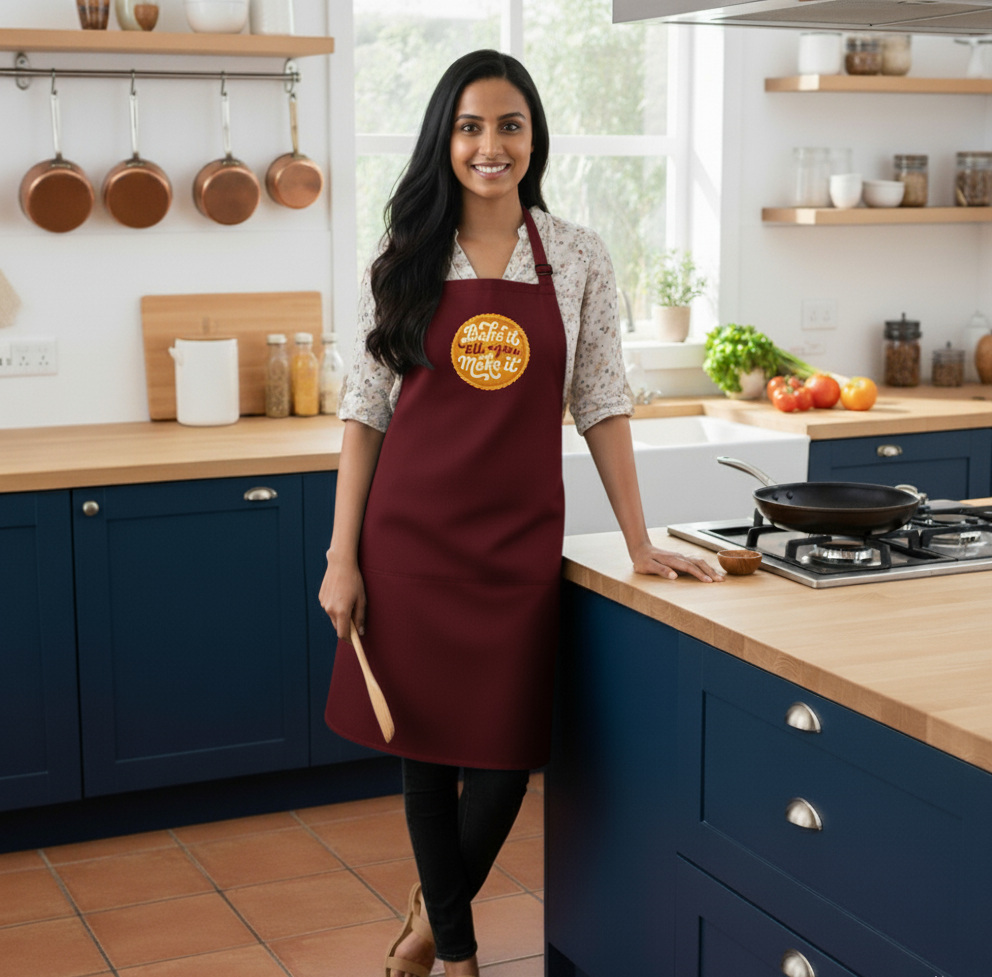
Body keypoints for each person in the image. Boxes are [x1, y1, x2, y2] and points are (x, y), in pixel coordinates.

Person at [318, 48, 723, 977]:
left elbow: (602, 399)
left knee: (503, 756)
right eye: (470, 127)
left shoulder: (575, 253)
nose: (489, 145)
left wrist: (639, 538)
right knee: (426, 753)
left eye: (509, 126)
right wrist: (343, 555)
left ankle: (434, 905)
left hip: (516, 546)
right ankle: (452, 954)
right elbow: (364, 411)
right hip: (410, 540)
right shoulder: (404, 256)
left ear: (534, 139)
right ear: (443, 140)